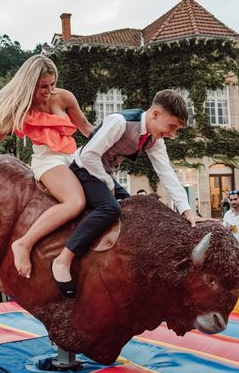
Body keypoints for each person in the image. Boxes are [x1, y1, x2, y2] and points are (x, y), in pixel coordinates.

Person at [51, 89, 201, 297]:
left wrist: (187, 210)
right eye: (171, 127)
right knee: (110, 208)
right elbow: (88, 156)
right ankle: (63, 259)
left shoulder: (155, 139)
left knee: (137, 207)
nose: (172, 134)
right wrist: (108, 184)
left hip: (104, 174)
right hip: (84, 169)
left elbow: (166, 173)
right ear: (155, 114)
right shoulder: (119, 122)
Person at [0, 54, 93, 279]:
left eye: (52, 84)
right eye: (43, 86)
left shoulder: (64, 97)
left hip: (73, 157)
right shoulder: (22, 107)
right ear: (30, 84)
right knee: (75, 202)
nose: (48, 90)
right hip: (48, 161)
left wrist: (112, 140)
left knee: (107, 198)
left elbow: (85, 127)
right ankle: (24, 244)